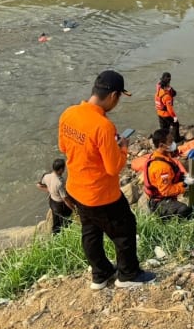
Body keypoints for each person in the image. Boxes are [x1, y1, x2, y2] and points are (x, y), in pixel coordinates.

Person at [58, 70, 155, 290]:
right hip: (101, 194)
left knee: (90, 232)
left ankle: (100, 274)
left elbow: (64, 147)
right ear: (113, 96)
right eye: (119, 97)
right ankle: (128, 274)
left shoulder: (69, 113)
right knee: (124, 230)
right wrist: (122, 148)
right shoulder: (103, 127)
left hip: (76, 189)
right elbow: (113, 168)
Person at [143, 128, 194, 219]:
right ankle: (163, 218)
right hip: (158, 202)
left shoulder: (161, 155)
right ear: (161, 145)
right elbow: (166, 191)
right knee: (186, 210)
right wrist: (184, 185)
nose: (173, 144)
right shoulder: (161, 168)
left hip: (161, 196)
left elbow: (174, 172)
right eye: (170, 141)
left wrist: (184, 177)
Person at [35, 158, 73, 235]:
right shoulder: (60, 182)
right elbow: (65, 198)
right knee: (66, 221)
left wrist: (50, 190)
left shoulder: (47, 176)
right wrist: (73, 208)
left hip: (52, 202)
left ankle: (55, 234)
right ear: (61, 169)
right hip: (61, 206)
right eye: (63, 168)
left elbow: (38, 185)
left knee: (56, 222)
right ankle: (67, 233)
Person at [155, 72, 182, 143]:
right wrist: (174, 117)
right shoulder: (167, 96)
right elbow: (170, 109)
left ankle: (164, 141)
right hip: (166, 114)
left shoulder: (158, 90)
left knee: (163, 128)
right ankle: (177, 139)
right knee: (176, 124)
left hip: (159, 113)